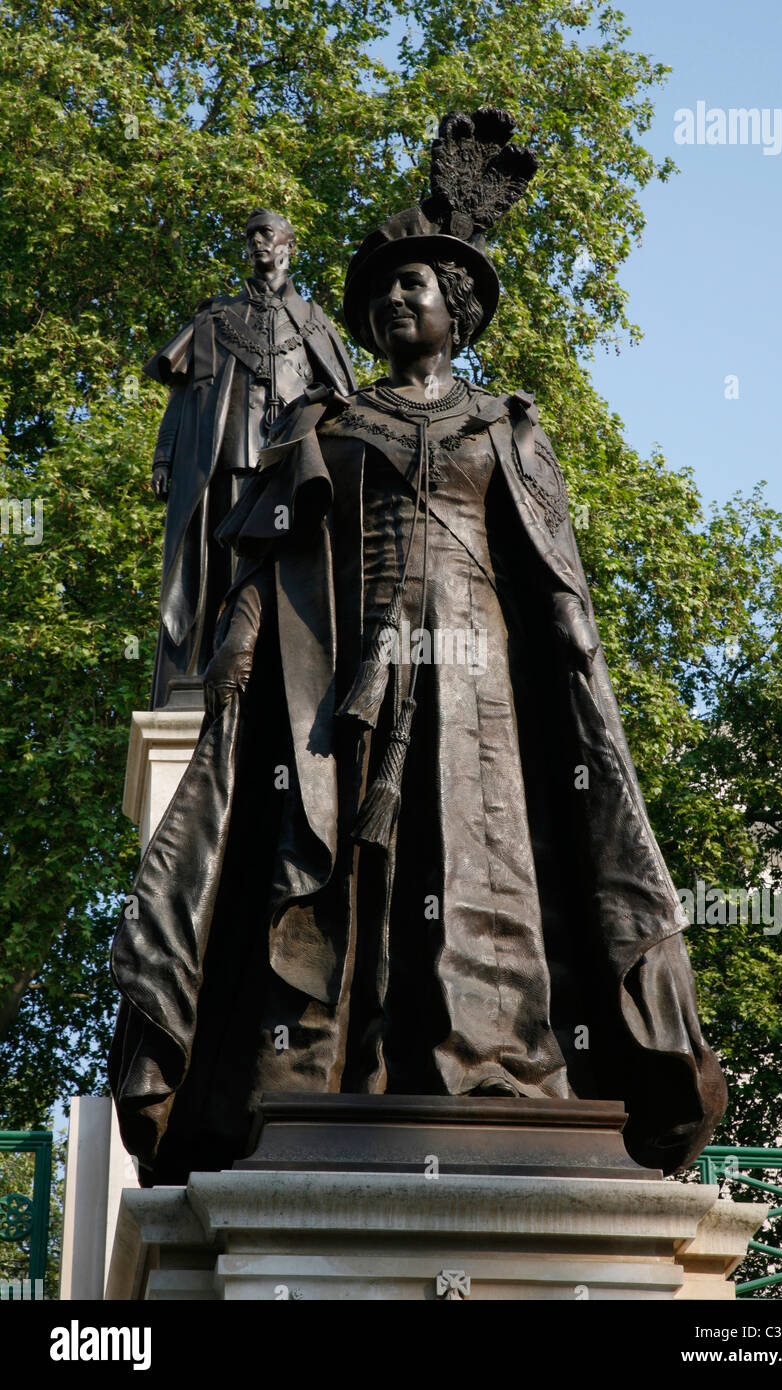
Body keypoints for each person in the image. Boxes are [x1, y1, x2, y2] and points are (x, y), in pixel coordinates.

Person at [110, 110, 725, 1184]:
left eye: (418, 284)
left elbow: (552, 577)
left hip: (480, 685)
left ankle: (488, 1069)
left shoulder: (505, 426)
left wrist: (578, 669)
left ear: (460, 310)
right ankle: (335, 1081)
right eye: (384, 288)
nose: (397, 298)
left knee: (479, 863)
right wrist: (238, 652)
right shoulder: (331, 426)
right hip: (344, 682)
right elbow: (270, 562)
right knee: (344, 868)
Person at [144, 209, 356, 708]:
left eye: (267, 232)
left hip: (288, 468)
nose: (257, 241)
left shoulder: (313, 321)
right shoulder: (215, 318)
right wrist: (164, 457)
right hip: (225, 463)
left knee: (284, 568)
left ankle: (278, 677)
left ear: (289, 244)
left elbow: (345, 395)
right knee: (219, 564)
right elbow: (183, 398)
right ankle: (206, 671)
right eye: (251, 235)